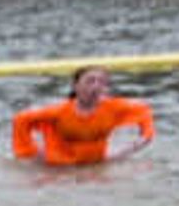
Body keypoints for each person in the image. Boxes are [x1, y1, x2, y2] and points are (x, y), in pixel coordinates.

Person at [11, 66, 155, 165]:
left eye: (102, 82)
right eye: (90, 81)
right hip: (59, 169)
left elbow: (143, 111)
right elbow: (21, 119)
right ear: (75, 86)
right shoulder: (58, 111)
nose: (96, 86)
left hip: (97, 165)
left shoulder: (113, 108)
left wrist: (129, 149)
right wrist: (32, 154)